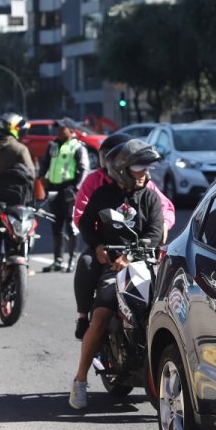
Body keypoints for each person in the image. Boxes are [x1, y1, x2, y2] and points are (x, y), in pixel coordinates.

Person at [70, 139, 164, 409]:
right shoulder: (102, 195)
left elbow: (155, 233)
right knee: (100, 316)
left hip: (142, 262)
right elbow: (87, 223)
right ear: (122, 169)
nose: (144, 173)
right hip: (111, 265)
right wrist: (98, 246)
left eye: (146, 169)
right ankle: (79, 381)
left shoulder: (149, 196)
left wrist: (133, 255)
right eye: (138, 169)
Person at [72, 133, 175, 340]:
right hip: (107, 246)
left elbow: (164, 210)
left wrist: (162, 226)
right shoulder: (96, 184)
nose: (144, 174)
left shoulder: (146, 188)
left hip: (140, 249)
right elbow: (82, 217)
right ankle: (83, 316)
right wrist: (97, 244)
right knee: (86, 263)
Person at [40, 123, 89, 272]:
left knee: (71, 226)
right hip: (54, 188)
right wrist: (42, 177)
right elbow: (45, 163)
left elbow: (83, 168)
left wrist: (75, 188)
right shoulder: (53, 145)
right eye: (58, 129)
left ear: (71, 130)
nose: (59, 132)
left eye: (62, 129)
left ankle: (72, 260)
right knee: (56, 225)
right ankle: (58, 260)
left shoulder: (77, 147)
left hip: (69, 189)